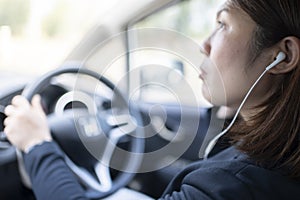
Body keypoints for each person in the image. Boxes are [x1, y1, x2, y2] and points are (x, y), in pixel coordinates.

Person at [4, 0, 300, 199]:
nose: (204, 44)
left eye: (223, 25)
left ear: (282, 56)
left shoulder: (237, 184)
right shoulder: (268, 158)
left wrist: (36, 145)